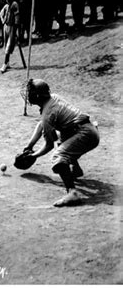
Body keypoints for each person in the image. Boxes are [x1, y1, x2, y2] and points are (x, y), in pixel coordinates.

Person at [22, 79, 100, 207]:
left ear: (37, 96)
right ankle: (76, 170)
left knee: (58, 156)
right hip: (88, 129)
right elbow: (41, 124)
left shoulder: (48, 114)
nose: (28, 94)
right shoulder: (53, 98)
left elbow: (48, 145)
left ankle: (72, 193)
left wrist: (32, 156)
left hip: (86, 135)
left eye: (31, 92)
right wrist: (30, 146)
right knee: (62, 140)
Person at [0, 0, 19, 73]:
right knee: (5, 43)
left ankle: (4, 63)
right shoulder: (6, 6)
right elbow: (1, 13)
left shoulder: (14, 4)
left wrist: (16, 27)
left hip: (12, 27)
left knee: (9, 45)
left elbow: (17, 16)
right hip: (6, 26)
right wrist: (3, 21)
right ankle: (7, 63)